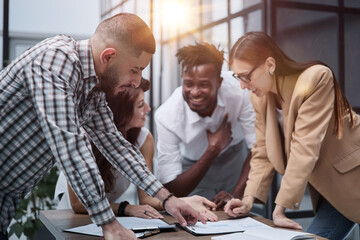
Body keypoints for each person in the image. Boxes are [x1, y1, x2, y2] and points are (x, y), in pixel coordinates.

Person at [0, 13, 204, 240]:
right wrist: (108, 223)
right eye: (135, 69)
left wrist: (168, 199)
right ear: (108, 57)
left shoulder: (92, 90)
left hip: (8, 195)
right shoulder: (56, 60)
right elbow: (71, 148)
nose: (136, 82)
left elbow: (116, 146)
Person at [224, 31, 360, 240]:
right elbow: (262, 151)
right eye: (237, 77)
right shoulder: (259, 98)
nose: (242, 85)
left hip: (353, 177)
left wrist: (280, 209)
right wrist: (248, 199)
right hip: (331, 187)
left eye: (245, 76)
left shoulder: (315, 78)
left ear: (270, 64)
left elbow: (304, 145)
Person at [55, 78, 218, 221]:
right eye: (140, 105)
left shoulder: (143, 139)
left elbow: (147, 198)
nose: (147, 108)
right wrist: (126, 208)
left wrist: (186, 202)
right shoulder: (84, 137)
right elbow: (78, 204)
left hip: (111, 214)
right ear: (121, 112)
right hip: (74, 214)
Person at [155, 42, 256, 209]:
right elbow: (171, 188)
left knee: (238, 212)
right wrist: (213, 149)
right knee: (203, 216)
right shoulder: (166, 116)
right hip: (193, 165)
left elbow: (257, 148)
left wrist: (236, 196)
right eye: (188, 84)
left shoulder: (240, 89)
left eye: (203, 85)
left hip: (235, 157)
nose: (194, 92)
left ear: (219, 81)